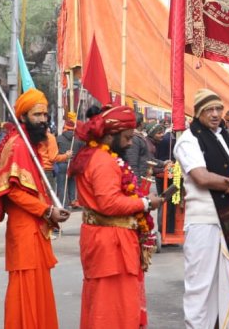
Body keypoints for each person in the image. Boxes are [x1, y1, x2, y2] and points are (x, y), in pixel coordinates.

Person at [0, 88, 70, 329]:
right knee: (26, 294)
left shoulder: (30, 145)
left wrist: (48, 210)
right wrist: (46, 211)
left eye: (45, 114)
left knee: (39, 292)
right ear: (22, 117)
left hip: (36, 230)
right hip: (25, 231)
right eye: (37, 115)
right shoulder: (18, 146)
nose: (43, 119)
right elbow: (12, 192)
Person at [70, 105, 162, 328]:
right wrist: (146, 202)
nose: (130, 143)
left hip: (107, 241)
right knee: (112, 308)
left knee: (110, 304)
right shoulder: (103, 161)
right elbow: (109, 203)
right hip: (111, 245)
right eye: (127, 137)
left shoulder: (95, 156)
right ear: (110, 135)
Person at [174, 89, 229, 329]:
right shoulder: (188, 139)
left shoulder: (226, 137)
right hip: (204, 221)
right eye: (209, 110)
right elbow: (201, 177)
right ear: (198, 113)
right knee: (201, 286)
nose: (215, 114)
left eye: (218, 109)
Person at [56, 112, 82, 207]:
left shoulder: (59, 138)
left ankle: (63, 203)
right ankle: (73, 201)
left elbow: (55, 151)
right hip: (73, 164)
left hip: (62, 163)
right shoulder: (78, 139)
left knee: (62, 184)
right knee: (72, 183)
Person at [123, 111, 151, 179]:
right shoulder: (135, 138)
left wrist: (162, 163)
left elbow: (147, 157)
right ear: (141, 123)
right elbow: (133, 163)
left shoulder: (139, 136)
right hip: (138, 177)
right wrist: (137, 183)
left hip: (142, 175)